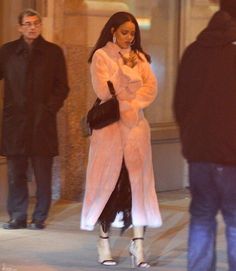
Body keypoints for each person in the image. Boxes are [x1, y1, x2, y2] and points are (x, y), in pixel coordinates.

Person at [80, 11, 162, 268]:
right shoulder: (101, 56)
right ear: (113, 30)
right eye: (125, 32)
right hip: (110, 134)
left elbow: (151, 87)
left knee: (139, 190)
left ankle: (138, 246)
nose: (129, 37)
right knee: (108, 188)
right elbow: (104, 90)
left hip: (136, 131)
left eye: (133, 33)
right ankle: (103, 241)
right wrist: (127, 74)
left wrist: (133, 101)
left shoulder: (141, 58)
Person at [173, 1, 236, 270]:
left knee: (201, 217)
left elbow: (180, 105)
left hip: (199, 156)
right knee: (234, 220)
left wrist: (191, 137)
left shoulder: (192, 53)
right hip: (232, 157)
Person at [0, 9, 69, 230]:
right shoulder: (8, 52)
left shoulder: (53, 52)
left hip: (42, 123)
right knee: (15, 174)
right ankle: (17, 216)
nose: (32, 27)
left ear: (40, 26)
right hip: (15, 124)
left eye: (36, 23)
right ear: (20, 27)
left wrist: (49, 109)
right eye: (28, 24)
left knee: (43, 175)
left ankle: (39, 217)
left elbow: (62, 87)